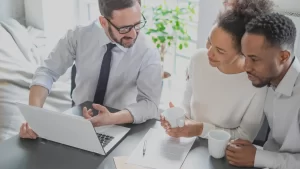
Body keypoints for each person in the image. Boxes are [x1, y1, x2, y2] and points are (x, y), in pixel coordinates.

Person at [19, 0, 162, 139]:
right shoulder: (79, 35)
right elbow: (47, 71)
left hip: (122, 125)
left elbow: (150, 104)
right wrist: (34, 116)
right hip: (77, 120)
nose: (133, 34)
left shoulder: (147, 51)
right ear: (104, 22)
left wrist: (111, 118)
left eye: (137, 25)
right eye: (124, 29)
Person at [161, 0, 274, 141]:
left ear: (243, 52)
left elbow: (245, 137)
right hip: (189, 145)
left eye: (220, 50)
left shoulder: (256, 82)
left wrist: (201, 129)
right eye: (209, 42)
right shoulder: (197, 59)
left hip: (225, 153)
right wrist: (177, 119)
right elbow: (186, 107)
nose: (209, 53)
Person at [226, 13, 300, 169]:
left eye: (254, 59)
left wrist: (258, 157)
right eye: (245, 57)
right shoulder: (269, 80)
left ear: (283, 57)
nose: (246, 66)